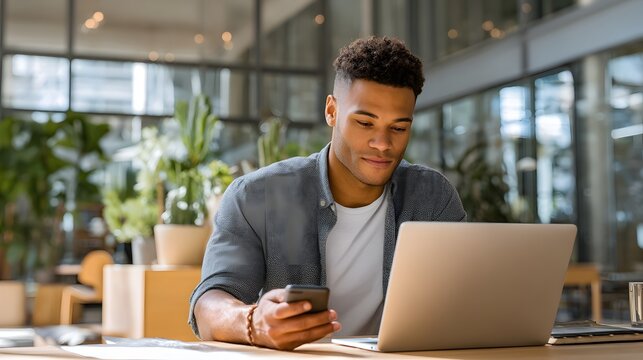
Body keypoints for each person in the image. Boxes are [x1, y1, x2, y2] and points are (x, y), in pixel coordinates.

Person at [189, 36, 466, 350]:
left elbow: (462, 301)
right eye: (365, 122)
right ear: (332, 111)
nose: (383, 144)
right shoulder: (256, 196)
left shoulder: (432, 197)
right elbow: (208, 304)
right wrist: (254, 322)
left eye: (399, 128)